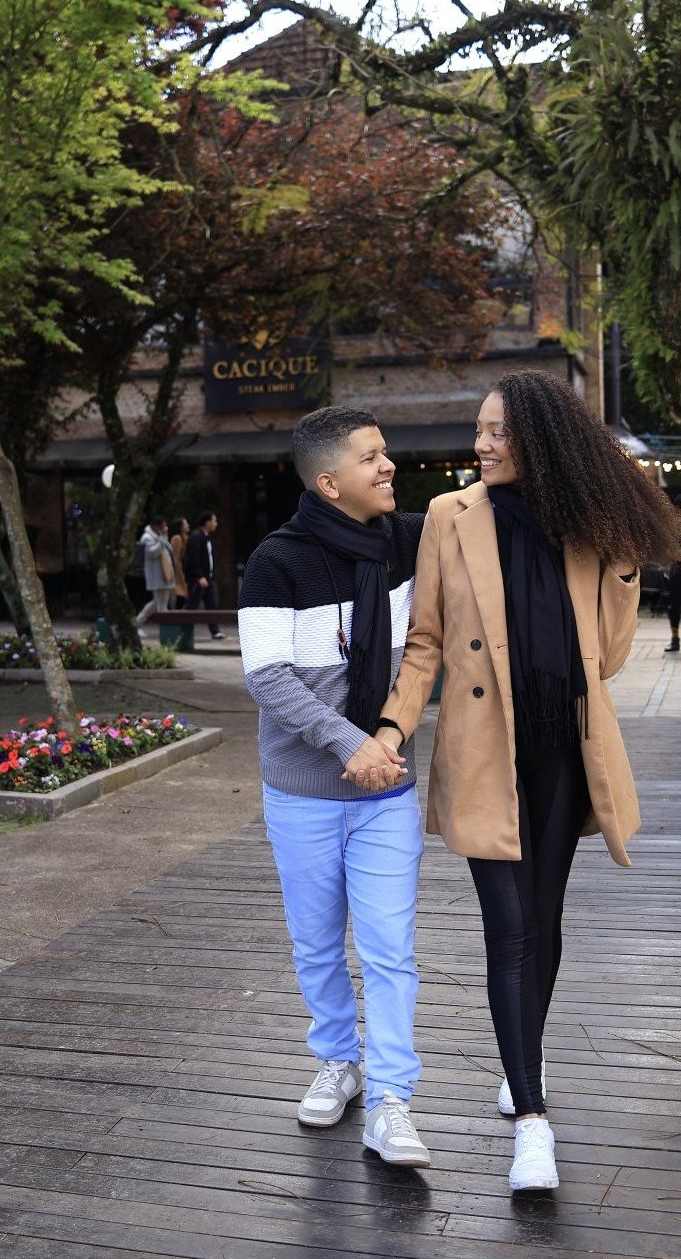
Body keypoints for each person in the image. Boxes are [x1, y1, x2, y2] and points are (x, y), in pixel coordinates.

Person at [348, 370, 680, 1192]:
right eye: (480, 429)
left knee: (544, 918)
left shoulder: (587, 526)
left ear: (543, 440)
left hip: (565, 747)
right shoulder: (450, 517)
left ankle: (520, 1052)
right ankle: (532, 1120)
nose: (482, 444)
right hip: (483, 751)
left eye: (499, 432)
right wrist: (392, 725)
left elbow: (607, 657)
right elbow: (425, 641)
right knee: (509, 928)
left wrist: (623, 560)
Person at [238, 405, 431, 1167]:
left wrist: (382, 744)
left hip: (386, 791)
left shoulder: (409, 542)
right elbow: (268, 678)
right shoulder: (275, 562)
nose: (388, 466)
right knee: (317, 943)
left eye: (386, 451)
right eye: (371, 457)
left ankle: (390, 1100)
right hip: (304, 793)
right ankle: (337, 1061)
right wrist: (350, 743)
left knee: (389, 951)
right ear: (328, 482)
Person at [185, 510, 224, 639]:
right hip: (199, 578)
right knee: (193, 604)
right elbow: (193, 558)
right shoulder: (196, 536)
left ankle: (215, 631)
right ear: (207, 522)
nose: (216, 523)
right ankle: (184, 630)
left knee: (212, 603)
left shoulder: (206, 536)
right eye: (214, 521)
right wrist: (199, 576)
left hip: (208, 577)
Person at [135, 516, 175, 637]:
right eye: (163, 525)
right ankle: (166, 630)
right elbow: (152, 553)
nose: (165, 528)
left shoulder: (159, 536)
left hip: (164, 575)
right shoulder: (147, 537)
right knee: (161, 604)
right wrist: (162, 538)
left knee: (158, 602)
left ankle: (137, 624)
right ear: (157, 526)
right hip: (156, 575)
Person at [664, 495, 681, 652]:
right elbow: (669, 550)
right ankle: (675, 639)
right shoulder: (674, 528)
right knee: (674, 606)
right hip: (677, 570)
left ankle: (675, 640)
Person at [169, 517, 190, 610]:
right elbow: (175, 558)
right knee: (180, 595)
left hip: (183, 569)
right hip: (178, 571)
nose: (188, 525)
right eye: (185, 524)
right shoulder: (177, 538)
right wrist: (179, 574)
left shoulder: (185, 538)